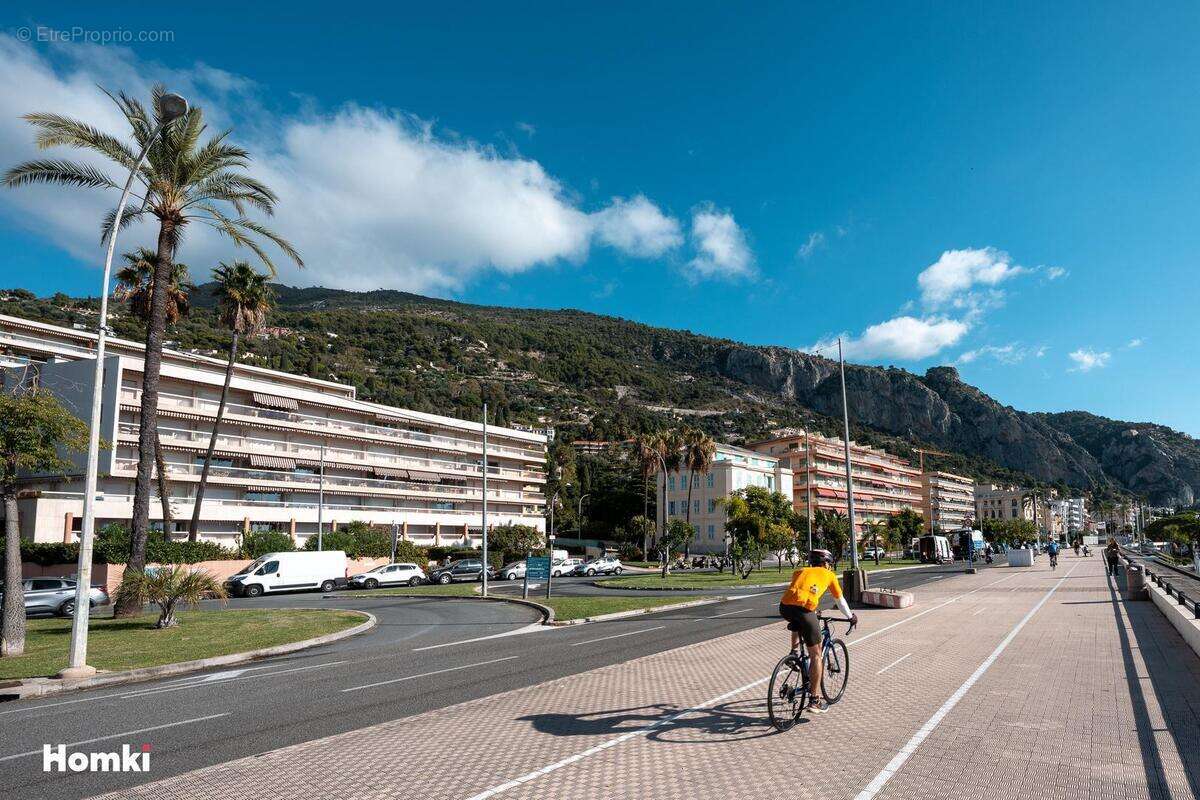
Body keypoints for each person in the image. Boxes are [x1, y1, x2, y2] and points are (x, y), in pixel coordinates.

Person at [778, 549, 858, 715]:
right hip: (805, 611)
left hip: (784, 608)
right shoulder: (829, 575)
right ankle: (814, 700)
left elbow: (799, 594)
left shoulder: (800, 570)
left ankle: (793, 652)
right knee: (816, 654)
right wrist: (851, 617)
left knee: (799, 621)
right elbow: (840, 600)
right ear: (827, 563)